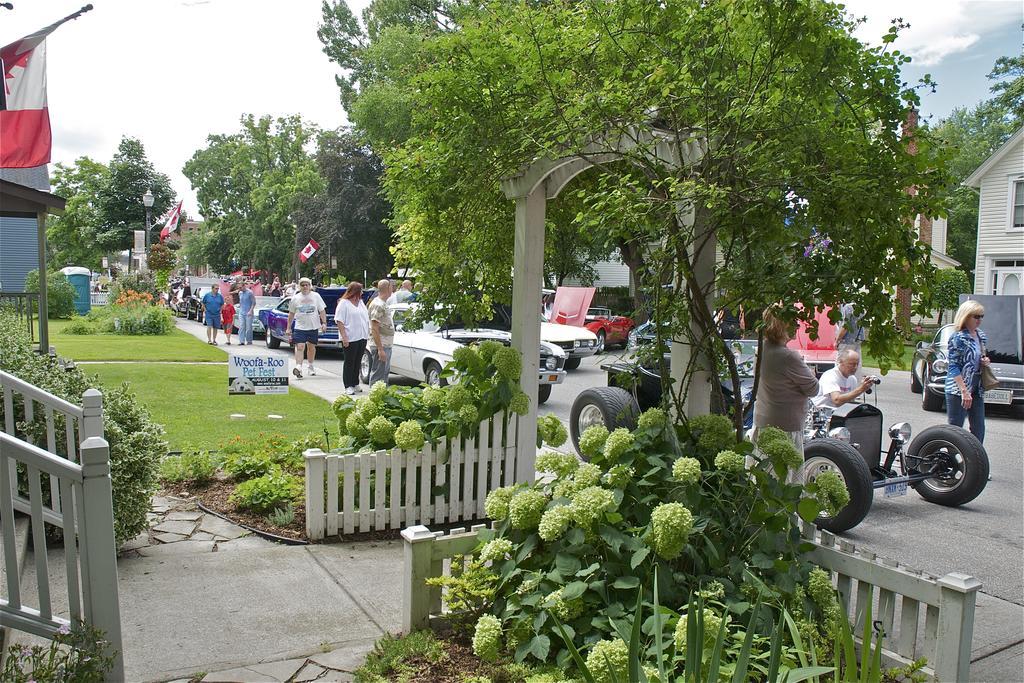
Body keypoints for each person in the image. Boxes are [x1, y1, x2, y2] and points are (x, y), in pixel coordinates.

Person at [753, 307, 820, 462]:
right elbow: (814, 389)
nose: (797, 326)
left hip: (763, 421)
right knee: (784, 479)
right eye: (793, 322)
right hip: (785, 426)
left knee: (762, 475)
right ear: (782, 326)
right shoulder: (788, 356)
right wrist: (810, 374)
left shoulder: (762, 349)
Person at [945, 300, 990, 443]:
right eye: (976, 316)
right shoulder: (958, 337)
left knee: (979, 430)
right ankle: (950, 460)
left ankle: (975, 461)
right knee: (955, 431)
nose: (979, 320)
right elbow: (953, 366)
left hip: (977, 387)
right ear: (966, 316)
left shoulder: (981, 336)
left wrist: (984, 361)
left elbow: (978, 357)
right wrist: (964, 391)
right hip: (958, 389)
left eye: (981, 316)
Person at [287, 277, 327, 378]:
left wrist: (324, 323)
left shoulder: (316, 296)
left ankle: (310, 366)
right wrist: (288, 328)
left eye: (307, 285)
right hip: (300, 327)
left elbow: (322, 310)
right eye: (303, 285)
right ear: (300, 287)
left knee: (311, 347)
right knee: (300, 346)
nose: (305, 287)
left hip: (313, 326)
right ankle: (299, 367)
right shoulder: (295, 298)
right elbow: (291, 314)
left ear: (310, 286)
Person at [336, 281, 370, 395]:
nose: (362, 293)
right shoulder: (344, 303)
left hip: (362, 336)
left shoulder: (361, 303)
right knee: (349, 362)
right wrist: (344, 337)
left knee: (357, 361)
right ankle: (348, 385)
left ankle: (355, 382)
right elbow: (339, 321)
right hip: (350, 337)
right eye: (360, 290)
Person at [367, 279, 395, 386]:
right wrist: (380, 349)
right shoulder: (378, 304)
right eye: (392, 286)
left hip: (385, 344)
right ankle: (375, 397)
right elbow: (374, 328)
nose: (393, 289)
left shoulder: (383, 303)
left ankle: (382, 397)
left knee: (384, 374)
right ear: (388, 288)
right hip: (381, 344)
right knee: (379, 375)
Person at [237, 281, 255, 345]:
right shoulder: (240, 293)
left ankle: (249, 340)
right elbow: (241, 301)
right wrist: (239, 305)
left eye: (240, 287)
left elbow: (253, 303)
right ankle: (241, 341)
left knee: (248, 327)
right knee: (241, 326)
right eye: (238, 287)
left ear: (244, 286)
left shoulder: (250, 293)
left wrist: (250, 311)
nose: (239, 289)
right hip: (242, 312)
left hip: (248, 312)